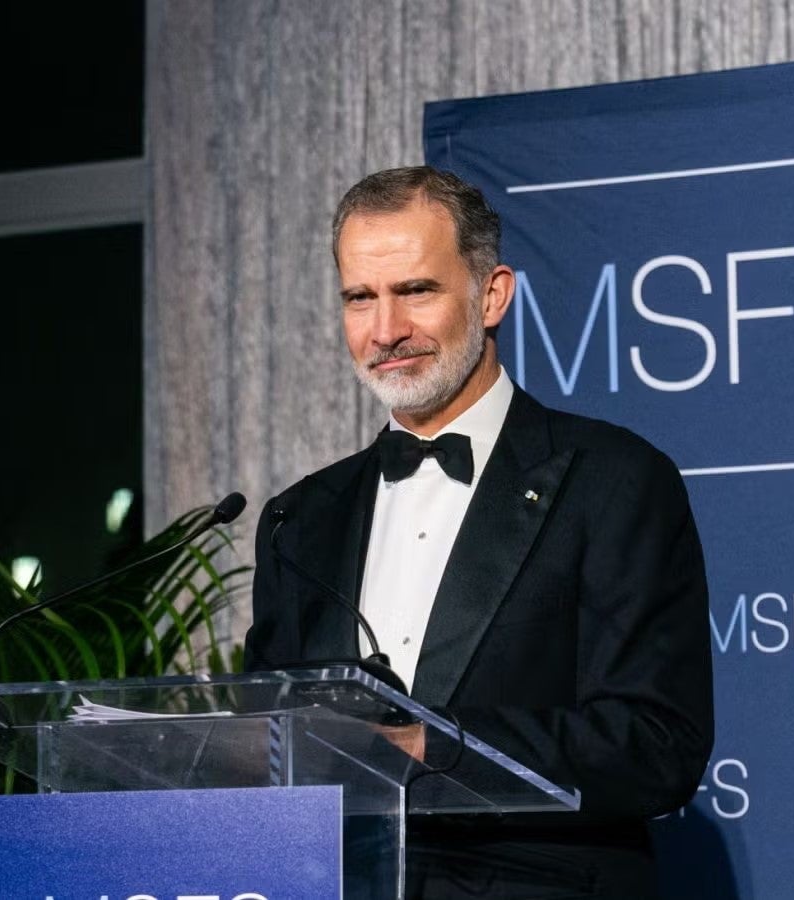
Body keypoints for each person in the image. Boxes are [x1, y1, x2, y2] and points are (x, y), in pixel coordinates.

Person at [244, 165, 713, 899]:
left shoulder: (615, 481)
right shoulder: (299, 518)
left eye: (416, 291)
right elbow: (272, 747)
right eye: (360, 298)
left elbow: (657, 747)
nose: (386, 330)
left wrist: (431, 743)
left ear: (491, 294)